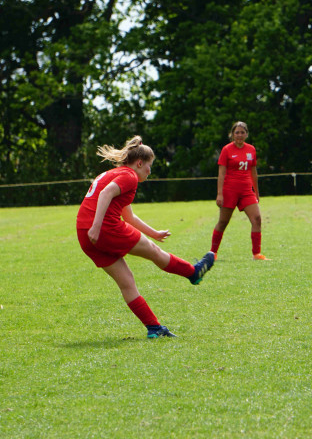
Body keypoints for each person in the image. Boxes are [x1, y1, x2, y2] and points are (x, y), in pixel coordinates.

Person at [76, 136, 214, 339]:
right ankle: (193, 273)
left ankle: (154, 328)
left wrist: (154, 233)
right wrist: (96, 227)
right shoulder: (129, 176)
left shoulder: (116, 173)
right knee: (154, 253)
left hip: (84, 233)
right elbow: (105, 194)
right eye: (149, 166)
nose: (150, 171)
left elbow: (128, 216)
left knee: (127, 282)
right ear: (139, 163)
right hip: (102, 228)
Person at [210, 121, 270, 261]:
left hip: (246, 190)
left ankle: (257, 254)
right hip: (229, 190)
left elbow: (253, 172)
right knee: (223, 222)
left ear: (246, 134)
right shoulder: (226, 150)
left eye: (242, 132)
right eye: (237, 132)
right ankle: (212, 253)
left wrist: (256, 191)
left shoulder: (251, 150)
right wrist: (219, 194)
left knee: (257, 219)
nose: (239, 135)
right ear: (232, 134)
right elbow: (221, 174)